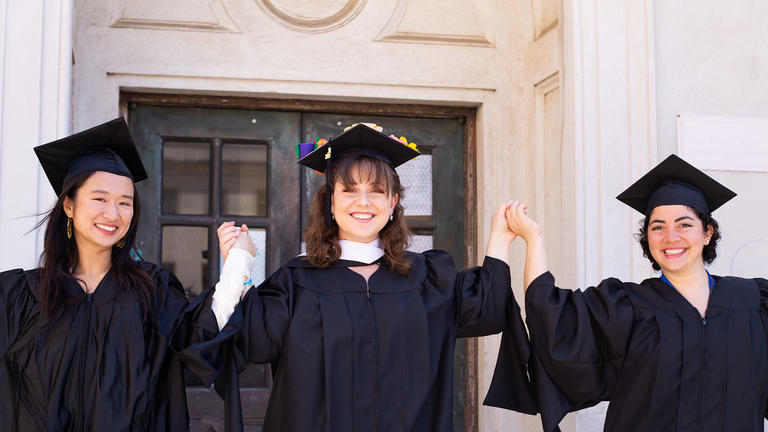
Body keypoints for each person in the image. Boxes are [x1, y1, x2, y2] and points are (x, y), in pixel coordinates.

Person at [175, 123, 537, 431]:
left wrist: (500, 237)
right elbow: (240, 338)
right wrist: (239, 263)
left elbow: (488, 307)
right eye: (349, 190)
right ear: (330, 203)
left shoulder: (428, 278)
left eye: (376, 191)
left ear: (393, 202)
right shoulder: (296, 284)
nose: (363, 202)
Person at [495, 154, 768, 431]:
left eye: (685, 224)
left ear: (707, 232)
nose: (670, 237)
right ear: (647, 238)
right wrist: (533, 239)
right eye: (657, 227)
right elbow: (550, 316)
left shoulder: (752, 303)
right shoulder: (625, 306)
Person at [0, 118, 219, 431]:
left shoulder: (153, 292)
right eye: (100, 199)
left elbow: (198, 344)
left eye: (124, 202)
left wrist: (237, 266)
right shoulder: (21, 296)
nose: (113, 214)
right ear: (69, 206)